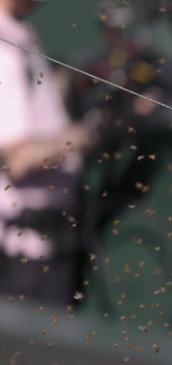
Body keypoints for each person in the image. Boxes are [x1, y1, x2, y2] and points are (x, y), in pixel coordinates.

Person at [0, 0, 95, 305]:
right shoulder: (4, 48)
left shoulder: (17, 32)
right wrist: (92, 132)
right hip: (28, 255)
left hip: (51, 240)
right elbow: (18, 158)